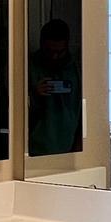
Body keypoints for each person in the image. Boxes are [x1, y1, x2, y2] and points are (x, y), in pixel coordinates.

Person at [29, 17, 79, 156]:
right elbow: (13, 113)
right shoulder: (28, 67)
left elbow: (82, 112)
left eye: (60, 52)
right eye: (49, 52)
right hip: (34, 149)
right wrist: (33, 95)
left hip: (70, 149)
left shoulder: (77, 69)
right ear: (41, 44)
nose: (54, 57)